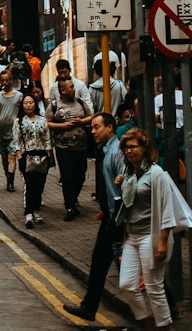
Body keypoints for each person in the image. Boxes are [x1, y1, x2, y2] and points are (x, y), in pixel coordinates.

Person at [117, 127, 192, 330]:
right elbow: (130, 203)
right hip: (132, 236)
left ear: (145, 148)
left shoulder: (156, 173)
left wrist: (162, 241)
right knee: (126, 285)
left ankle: (163, 326)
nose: (129, 151)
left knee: (154, 287)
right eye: (126, 148)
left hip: (150, 238)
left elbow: (166, 208)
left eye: (133, 147)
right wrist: (121, 187)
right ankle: (149, 324)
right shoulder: (129, 172)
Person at [63, 112, 125, 325]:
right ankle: (89, 307)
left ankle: (165, 306)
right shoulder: (105, 151)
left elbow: (122, 188)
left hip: (118, 218)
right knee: (99, 262)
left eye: (97, 127)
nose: (93, 131)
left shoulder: (116, 152)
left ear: (110, 128)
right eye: (92, 128)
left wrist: (114, 215)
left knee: (127, 265)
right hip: (110, 215)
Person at [47, 76, 91, 219]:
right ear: (63, 90)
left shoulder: (80, 102)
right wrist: (63, 126)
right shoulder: (54, 105)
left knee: (81, 175)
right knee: (68, 176)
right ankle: (70, 206)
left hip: (81, 147)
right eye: (71, 87)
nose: (74, 89)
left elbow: (92, 116)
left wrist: (82, 121)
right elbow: (46, 123)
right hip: (63, 147)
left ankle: (73, 198)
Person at [14, 93, 52, 227]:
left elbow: (47, 139)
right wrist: (20, 158)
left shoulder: (42, 120)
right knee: (29, 185)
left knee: (39, 185)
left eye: (30, 102)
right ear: (22, 105)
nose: (28, 105)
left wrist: (49, 156)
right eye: (25, 103)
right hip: (27, 156)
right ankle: (28, 213)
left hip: (42, 156)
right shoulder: (19, 121)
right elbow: (16, 141)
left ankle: (36, 210)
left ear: (35, 104)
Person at [0, 69, 23, 192]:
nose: (5, 82)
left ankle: (11, 182)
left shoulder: (19, 96)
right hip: (1, 131)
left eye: (7, 80)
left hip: (14, 132)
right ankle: (7, 175)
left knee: (12, 156)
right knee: (4, 157)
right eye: (2, 80)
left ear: (11, 80)